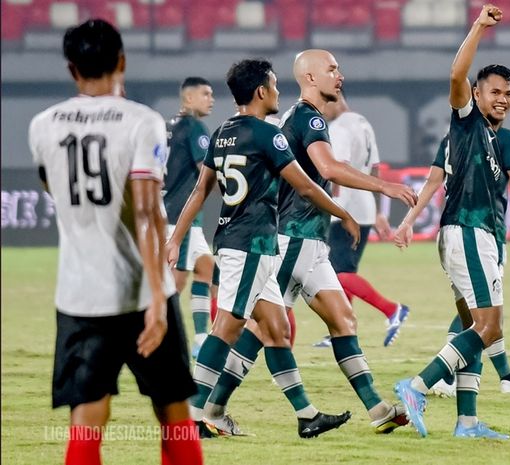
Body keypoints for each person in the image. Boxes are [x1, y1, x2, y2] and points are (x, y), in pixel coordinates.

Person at [201, 49, 417, 436]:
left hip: (310, 243)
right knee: (261, 330)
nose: (340, 75)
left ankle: (378, 409)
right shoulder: (307, 116)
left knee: (339, 319)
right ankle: (210, 409)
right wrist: (382, 186)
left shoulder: (295, 117)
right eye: (332, 69)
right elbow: (329, 168)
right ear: (311, 78)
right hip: (291, 240)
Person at [28, 19, 202, 465]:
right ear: (121, 61)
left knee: (87, 416)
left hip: (80, 296)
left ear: (72, 69)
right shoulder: (141, 121)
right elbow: (146, 211)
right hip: (144, 293)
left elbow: (54, 187)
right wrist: (159, 303)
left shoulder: (42, 125)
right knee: (173, 413)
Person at [392, 4, 510, 440]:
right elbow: (454, 78)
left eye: (509, 94)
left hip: (472, 235)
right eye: (495, 91)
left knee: (474, 328)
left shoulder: (492, 136)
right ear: (478, 95)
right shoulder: (466, 123)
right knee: (489, 327)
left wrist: (410, 221)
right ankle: (416, 387)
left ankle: (467, 422)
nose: (503, 99)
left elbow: (441, 179)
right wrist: (479, 27)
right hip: (469, 231)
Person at [166, 58, 356, 439]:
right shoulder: (269, 135)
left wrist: (175, 238)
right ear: (260, 92)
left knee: (277, 328)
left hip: (249, 244)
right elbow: (305, 186)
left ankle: (306, 415)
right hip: (249, 244)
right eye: (273, 85)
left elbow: (201, 192)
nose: (278, 91)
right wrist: (343, 214)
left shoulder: (221, 132)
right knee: (227, 327)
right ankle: (191, 419)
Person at [427, 128, 510, 399]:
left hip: (454, 233)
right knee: (485, 316)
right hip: (481, 233)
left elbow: (433, 181)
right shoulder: (502, 138)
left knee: (474, 312)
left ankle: (504, 378)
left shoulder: (450, 138)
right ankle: (433, 380)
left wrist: (408, 220)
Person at [312, 90, 409, 349]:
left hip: (346, 209)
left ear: (335, 100)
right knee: (345, 272)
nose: (321, 112)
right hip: (364, 207)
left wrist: (333, 208)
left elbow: (336, 172)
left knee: (336, 273)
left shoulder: (338, 128)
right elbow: (375, 166)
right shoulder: (362, 123)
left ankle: (392, 309)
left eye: (324, 106)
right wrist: (377, 211)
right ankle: (341, 331)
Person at [163, 76, 217, 358]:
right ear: (188, 99)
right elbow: (206, 170)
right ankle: (160, 338)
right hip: (180, 215)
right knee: (175, 282)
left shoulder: (167, 128)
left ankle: (200, 339)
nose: (211, 99)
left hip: (171, 212)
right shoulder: (196, 128)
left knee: (206, 268)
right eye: (206, 94)